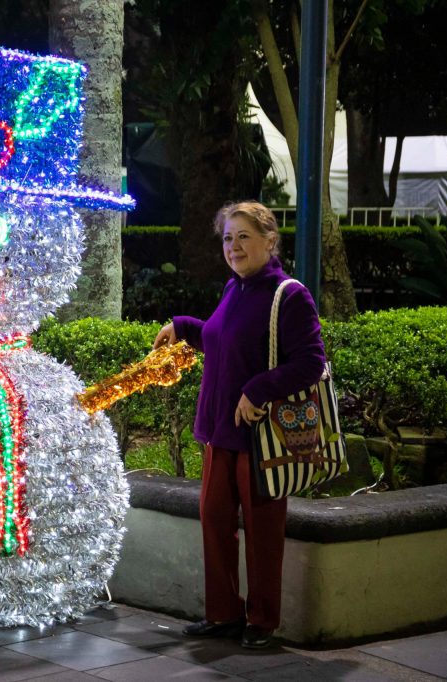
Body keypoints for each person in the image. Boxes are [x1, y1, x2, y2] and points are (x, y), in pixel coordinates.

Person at [153, 200, 325, 649]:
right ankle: (223, 614)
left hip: (260, 437)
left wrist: (258, 389)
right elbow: (221, 339)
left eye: (244, 237)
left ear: (270, 240)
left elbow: (311, 362)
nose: (234, 246)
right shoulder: (235, 287)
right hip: (219, 432)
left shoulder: (289, 295)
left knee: (263, 532)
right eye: (228, 238)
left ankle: (262, 621)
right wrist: (183, 327)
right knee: (214, 522)